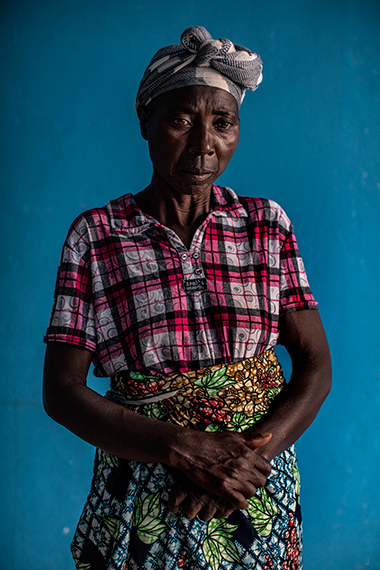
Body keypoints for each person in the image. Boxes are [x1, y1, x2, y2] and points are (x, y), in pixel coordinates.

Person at [43, 26, 331, 570]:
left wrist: (242, 464)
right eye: (181, 120)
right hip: (146, 488)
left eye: (223, 123)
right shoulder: (97, 236)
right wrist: (184, 448)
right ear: (145, 121)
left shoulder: (265, 225)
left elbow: (315, 366)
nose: (205, 144)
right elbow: (61, 391)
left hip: (252, 487)